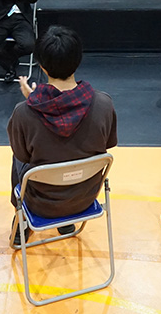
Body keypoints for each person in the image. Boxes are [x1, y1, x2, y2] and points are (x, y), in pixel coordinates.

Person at [8, 25, 117, 246]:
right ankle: (67, 222)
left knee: (18, 158)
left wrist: (34, 101)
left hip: (41, 203)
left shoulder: (23, 113)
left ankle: (22, 220)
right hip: (84, 198)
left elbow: (22, 155)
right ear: (78, 60)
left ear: (42, 66)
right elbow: (108, 143)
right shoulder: (104, 104)